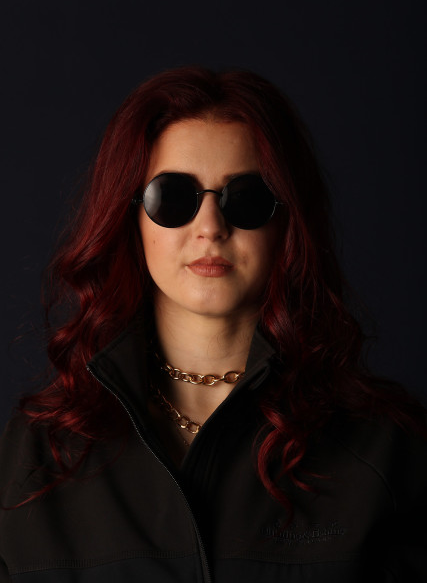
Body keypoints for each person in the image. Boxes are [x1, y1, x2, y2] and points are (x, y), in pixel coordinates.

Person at [0, 66, 426, 582]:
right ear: (129, 216)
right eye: (172, 197)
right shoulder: (36, 457)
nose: (210, 227)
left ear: (286, 220)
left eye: (245, 198)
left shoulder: (385, 448)